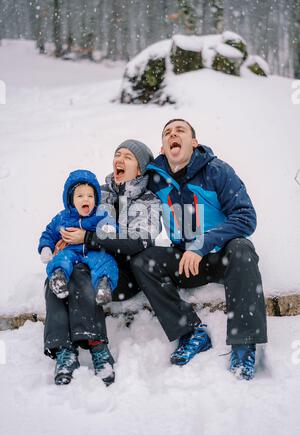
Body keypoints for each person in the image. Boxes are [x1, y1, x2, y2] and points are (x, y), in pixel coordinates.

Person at [130, 119, 268, 381]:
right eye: (167, 133)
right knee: (143, 260)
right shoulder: (155, 180)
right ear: (162, 147)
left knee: (242, 248)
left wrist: (202, 244)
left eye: (180, 130)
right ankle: (192, 333)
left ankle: (244, 344)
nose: (173, 135)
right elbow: (127, 194)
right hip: (185, 262)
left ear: (194, 142)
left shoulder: (217, 171)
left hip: (220, 256)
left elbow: (246, 216)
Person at [43, 140, 160, 386]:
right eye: (118, 153)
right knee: (55, 276)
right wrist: (60, 243)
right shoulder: (99, 191)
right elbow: (73, 215)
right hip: (90, 261)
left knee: (83, 275)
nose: (120, 158)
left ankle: (97, 346)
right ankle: (63, 350)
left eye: (128, 156)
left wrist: (88, 238)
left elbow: (138, 242)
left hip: (123, 273)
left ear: (139, 169)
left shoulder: (147, 200)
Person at [39, 169, 119, 386]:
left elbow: (110, 229)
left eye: (91, 196)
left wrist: (108, 229)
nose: (86, 200)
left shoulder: (100, 215)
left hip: (92, 255)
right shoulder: (63, 218)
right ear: (71, 200)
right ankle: (64, 351)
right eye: (80, 196)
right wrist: (46, 247)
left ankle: (97, 345)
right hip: (70, 255)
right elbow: (48, 233)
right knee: (58, 270)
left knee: (103, 265)